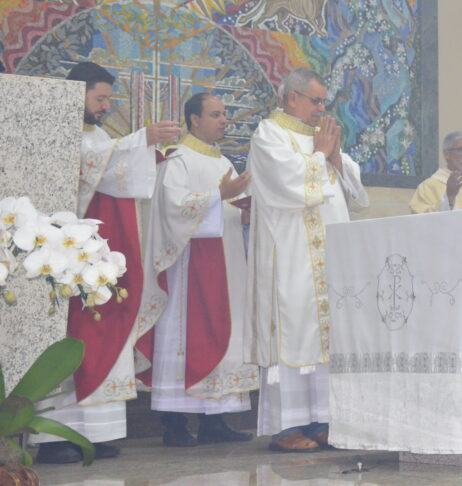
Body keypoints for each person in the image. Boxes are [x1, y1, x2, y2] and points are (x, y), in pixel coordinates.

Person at [34, 61, 180, 464]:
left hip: (94, 259)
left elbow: (111, 168)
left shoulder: (96, 134)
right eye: (99, 99)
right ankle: (52, 437)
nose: (103, 107)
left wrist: (148, 156)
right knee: (71, 342)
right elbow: (82, 174)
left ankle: (93, 434)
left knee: (103, 335)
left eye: (107, 100)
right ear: (75, 93)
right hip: (61, 260)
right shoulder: (53, 131)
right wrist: (139, 141)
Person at [245, 68, 368, 452]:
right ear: (291, 97)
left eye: (323, 102)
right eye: (315, 101)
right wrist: (320, 154)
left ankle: (323, 420)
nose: (321, 108)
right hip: (291, 252)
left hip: (328, 252)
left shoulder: (319, 139)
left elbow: (352, 190)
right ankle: (287, 427)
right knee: (294, 329)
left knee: (327, 336)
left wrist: (332, 158)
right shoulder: (269, 134)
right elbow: (289, 184)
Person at [147, 93, 258, 447]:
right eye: (215, 114)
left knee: (228, 333)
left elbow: (226, 205)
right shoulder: (176, 159)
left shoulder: (224, 160)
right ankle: (175, 423)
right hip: (190, 265)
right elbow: (171, 208)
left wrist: (243, 211)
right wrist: (218, 196)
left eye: (225, 114)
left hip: (227, 261)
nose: (224, 120)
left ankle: (216, 420)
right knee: (184, 335)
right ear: (194, 120)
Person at [409, 131, 462, 213]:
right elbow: (420, 220)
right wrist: (449, 197)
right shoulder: (429, 186)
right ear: (447, 154)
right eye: (461, 150)